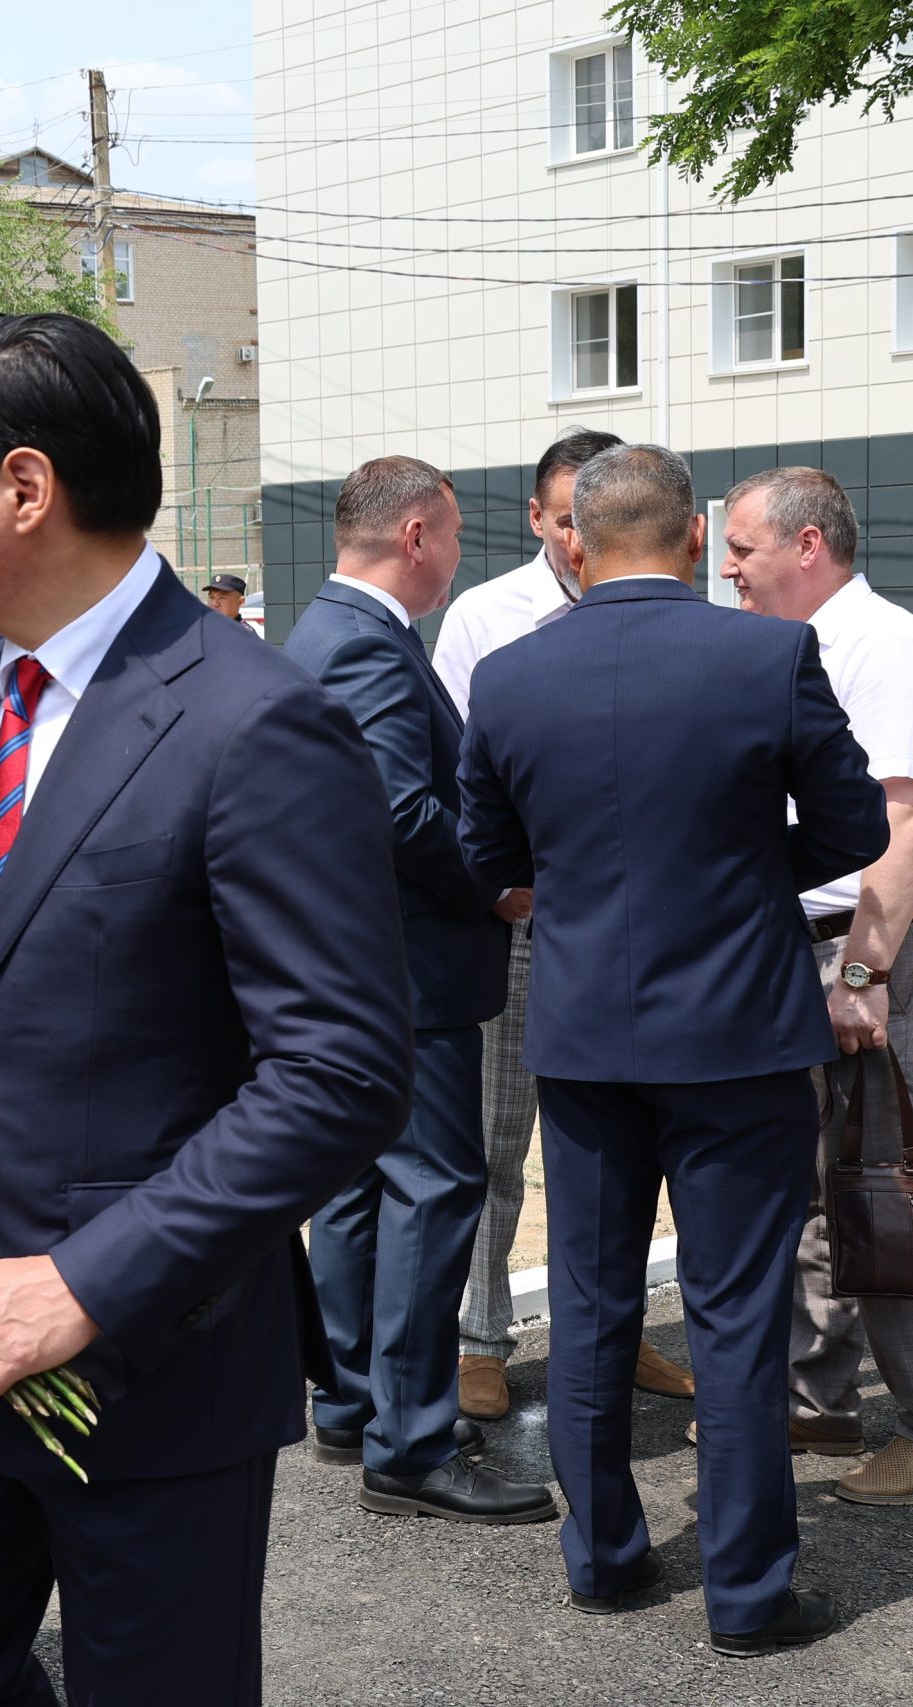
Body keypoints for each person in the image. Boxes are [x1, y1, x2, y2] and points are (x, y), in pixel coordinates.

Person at [0, 315, 417, 1704]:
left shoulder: (253, 720)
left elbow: (339, 1074)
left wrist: (86, 1284)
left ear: (24, 488)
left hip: (147, 1360)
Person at [459, 444, 887, 1654]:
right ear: (695, 534)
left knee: (590, 1303)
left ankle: (602, 1559)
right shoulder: (765, 654)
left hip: (585, 1030)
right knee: (735, 1310)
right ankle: (747, 1598)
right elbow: (852, 825)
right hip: (738, 1029)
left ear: (576, 539)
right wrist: (739, 872)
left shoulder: (510, 673)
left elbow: (487, 854)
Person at [284, 459, 552, 1522]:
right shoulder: (366, 643)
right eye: (452, 535)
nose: (456, 555)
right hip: (411, 968)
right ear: (413, 536)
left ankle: (355, 1403)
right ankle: (410, 1442)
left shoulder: (329, 631)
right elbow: (400, 810)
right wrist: (495, 885)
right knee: (435, 1187)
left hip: (365, 963)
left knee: (361, 1186)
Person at [433, 428, 694, 1421]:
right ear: (542, 519)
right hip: (522, 929)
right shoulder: (485, 618)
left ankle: (615, 1335)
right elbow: (458, 779)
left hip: (643, 937)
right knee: (500, 1146)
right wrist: (496, 885)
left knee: (630, 1152)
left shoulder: (678, 613)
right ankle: (479, 1340)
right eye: (561, 516)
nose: (576, 532)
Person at [720, 467, 913, 1499]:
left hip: (859, 947)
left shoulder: (883, 644)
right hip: (793, 945)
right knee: (804, 1184)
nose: (727, 568)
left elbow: (900, 826)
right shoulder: (779, 648)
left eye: (741, 547)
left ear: (807, 546)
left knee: (880, 1186)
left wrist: (864, 973)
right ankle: (817, 1403)